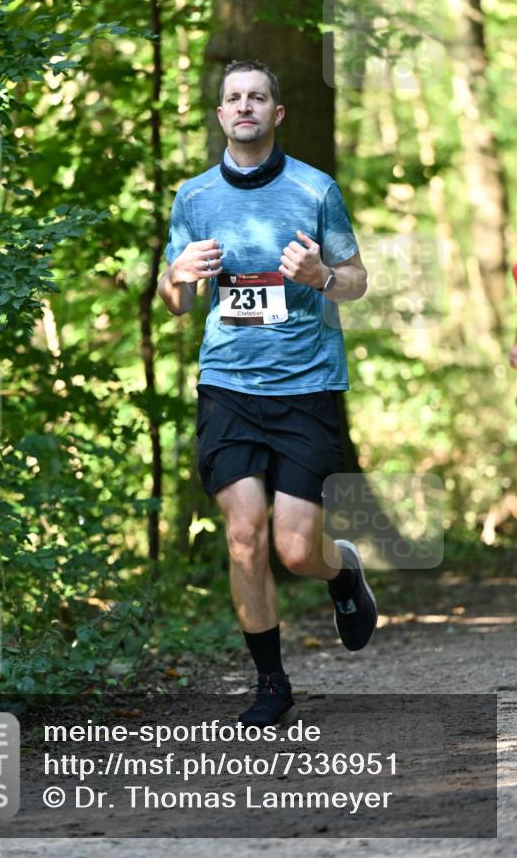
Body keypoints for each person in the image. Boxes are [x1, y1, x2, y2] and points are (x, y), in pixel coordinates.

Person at [158, 59, 377, 727]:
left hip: (306, 386)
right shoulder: (194, 198)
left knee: (294, 549)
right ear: (221, 114)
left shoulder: (315, 189)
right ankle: (270, 683)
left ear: (276, 113)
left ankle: (342, 571)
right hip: (227, 385)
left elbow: (357, 279)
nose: (245, 106)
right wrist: (177, 275)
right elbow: (174, 302)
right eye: (234, 98)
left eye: (257, 97)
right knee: (244, 536)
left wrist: (319, 275)